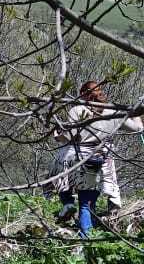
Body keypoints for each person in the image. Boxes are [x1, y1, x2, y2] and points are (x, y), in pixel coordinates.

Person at [54, 81, 143, 238]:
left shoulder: (78, 110)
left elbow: (69, 136)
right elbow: (138, 128)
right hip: (102, 159)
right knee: (87, 201)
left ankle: (81, 226)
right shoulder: (113, 111)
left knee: (65, 182)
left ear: (83, 95)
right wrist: (137, 113)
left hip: (80, 158)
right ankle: (89, 231)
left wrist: (57, 134)